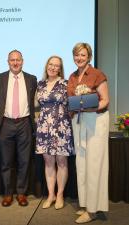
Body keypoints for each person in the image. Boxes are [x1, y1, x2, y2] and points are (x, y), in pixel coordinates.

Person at [0, 49, 37, 207]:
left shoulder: (32, 79)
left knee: (24, 162)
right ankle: (8, 194)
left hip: (25, 124)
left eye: (18, 60)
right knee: (6, 162)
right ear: (8, 62)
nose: (15, 63)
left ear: (22, 61)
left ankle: (21, 193)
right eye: (12, 60)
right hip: (5, 124)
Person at [67, 43, 109, 223]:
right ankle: (85, 204)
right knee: (82, 163)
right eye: (76, 55)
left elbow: (105, 100)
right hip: (79, 122)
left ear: (89, 57)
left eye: (83, 55)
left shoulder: (97, 74)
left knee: (93, 165)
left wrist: (89, 108)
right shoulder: (72, 76)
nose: (79, 58)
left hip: (96, 122)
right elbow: (70, 100)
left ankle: (93, 210)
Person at [35, 56, 74, 210]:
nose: (52, 67)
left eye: (56, 66)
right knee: (49, 162)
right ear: (47, 66)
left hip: (61, 127)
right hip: (44, 127)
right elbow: (36, 106)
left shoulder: (66, 84)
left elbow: (73, 104)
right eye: (50, 64)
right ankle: (51, 194)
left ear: (60, 68)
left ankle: (60, 195)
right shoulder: (40, 84)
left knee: (62, 162)